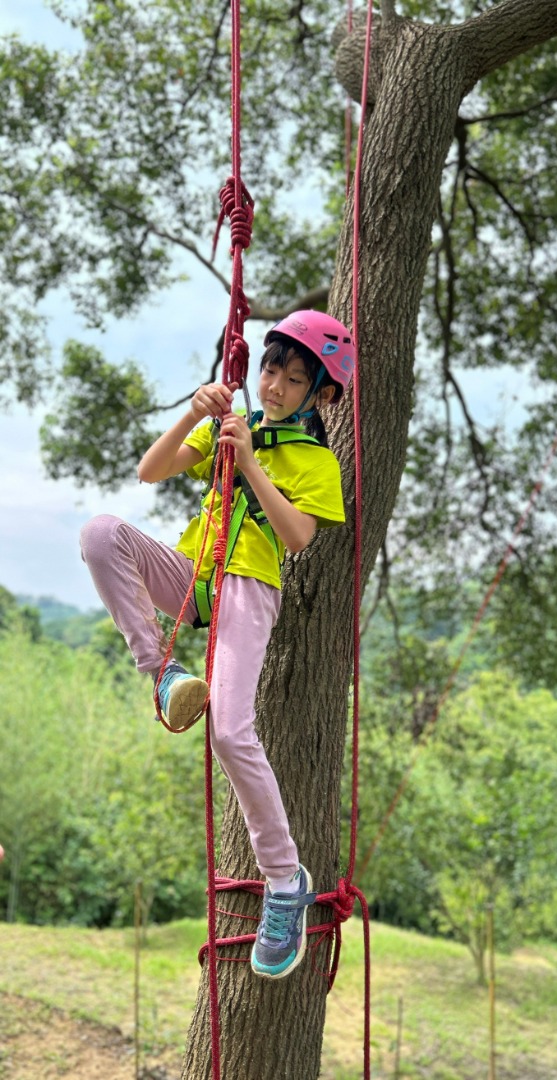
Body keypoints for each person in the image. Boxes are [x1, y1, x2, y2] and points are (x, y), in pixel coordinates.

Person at [80, 310, 355, 979]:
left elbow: (296, 538)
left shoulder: (314, 460)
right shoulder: (235, 425)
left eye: (294, 379)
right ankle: (162, 672)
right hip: (196, 576)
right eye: (270, 370)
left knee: (232, 734)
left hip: (250, 586)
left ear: (321, 395)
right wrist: (194, 415)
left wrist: (253, 465)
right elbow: (151, 471)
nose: (276, 386)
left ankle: (285, 881)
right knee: (100, 533)